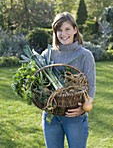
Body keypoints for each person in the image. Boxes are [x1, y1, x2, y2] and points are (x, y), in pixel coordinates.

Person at [41, 12, 96, 148]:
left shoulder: (85, 55)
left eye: (67, 29)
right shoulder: (47, 54)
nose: (63, 34)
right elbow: (40, 83)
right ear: (55, 32)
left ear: (75, 30)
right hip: (51, 116)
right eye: (59, 30)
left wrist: (83, 109)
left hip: (74, 117)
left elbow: (91, 85)